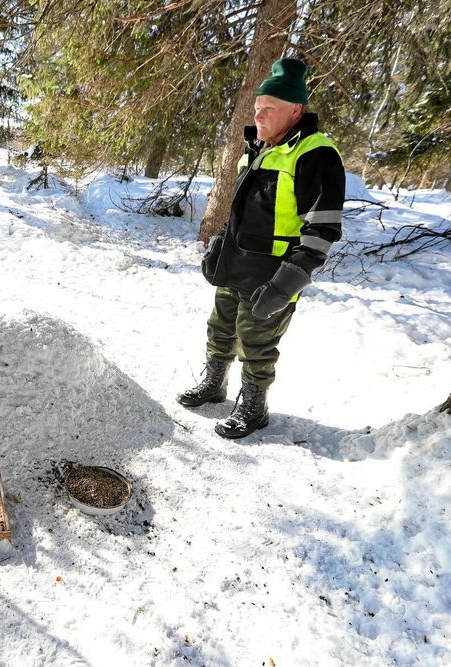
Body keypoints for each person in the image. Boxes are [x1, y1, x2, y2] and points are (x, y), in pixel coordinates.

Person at [178, 57, 346, 439]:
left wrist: (287, 284)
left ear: (296, 110)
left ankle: (254, 408)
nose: (261, 115)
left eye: (270, 108)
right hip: (235, 263)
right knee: (220, 329)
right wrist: (218, 247)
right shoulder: (257, 148)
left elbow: (323, 229)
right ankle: (214, 385)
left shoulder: (316, 154)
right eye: (258, 108)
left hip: (273, 272)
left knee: (257, 342)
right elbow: (237, 211)